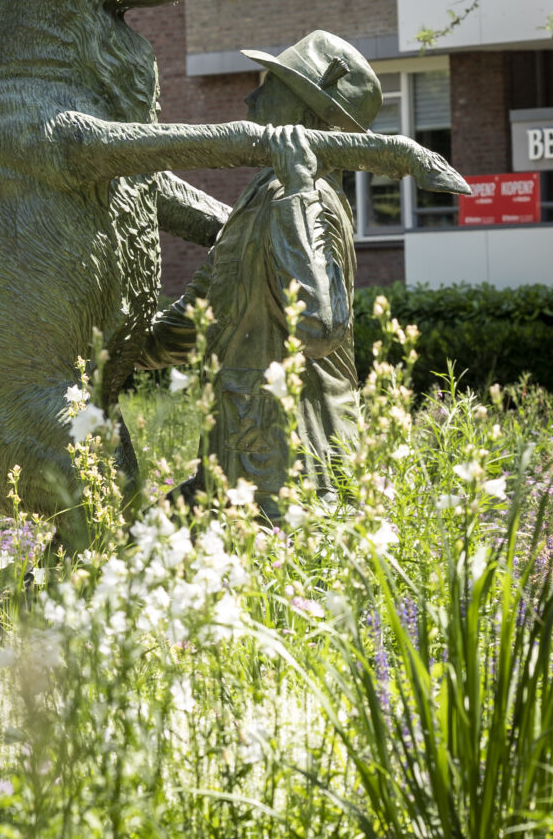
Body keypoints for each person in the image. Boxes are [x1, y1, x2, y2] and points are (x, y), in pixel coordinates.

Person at [141, 31, 384, 520]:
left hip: (299, 484)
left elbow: (319, 327)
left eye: (270, 84)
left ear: (305, 117)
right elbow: (198, 317)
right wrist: (111, 349)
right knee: (130, 561)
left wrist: (298, 191)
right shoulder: (260, 196)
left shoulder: (315, 206)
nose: (251, 97)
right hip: (234, 466)